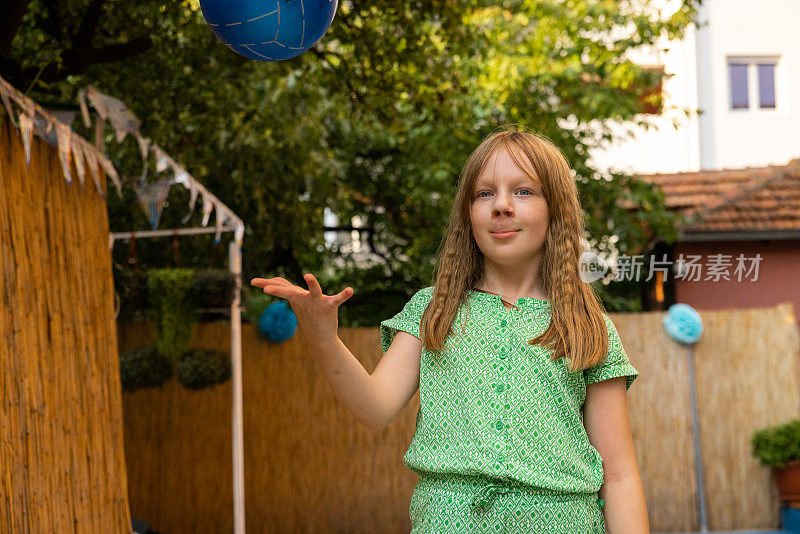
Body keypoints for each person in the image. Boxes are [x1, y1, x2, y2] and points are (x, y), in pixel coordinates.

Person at [251, 127, 648, 533]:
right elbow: (373, 408)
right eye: (484, 193)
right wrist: (322, 335)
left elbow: (618, 476)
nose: (502, 206)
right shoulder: (434, 310)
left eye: (524, 191)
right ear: (468, 214)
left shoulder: (584, 324)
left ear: (555, 210)